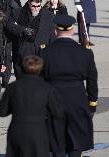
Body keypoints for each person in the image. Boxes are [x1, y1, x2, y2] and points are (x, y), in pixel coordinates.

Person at [42, 15, 98, 157]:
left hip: (53, 101)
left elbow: (39, 81)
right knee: (76, 143)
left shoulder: (45, 52)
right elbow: (92, 80)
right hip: (77, 101)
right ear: (73, 30)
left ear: (56, 31)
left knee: (57, 144)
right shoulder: (85, 52)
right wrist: (92, 103)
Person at [0, 55, 63, 157]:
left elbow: (2, 112)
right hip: (38, 131)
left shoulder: (12, 87)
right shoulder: (46, 88)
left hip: (17, 130)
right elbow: (57, 113)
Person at [6, 0, 56, 77]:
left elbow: (52, 36)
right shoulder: (17, 12)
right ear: (29, 3)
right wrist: (23, 30)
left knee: (40, 82)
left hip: (41, 52)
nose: (36, 8)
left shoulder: (49, 16)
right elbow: (9, 26)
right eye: (33, 6)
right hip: (22, 52)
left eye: (38, 6)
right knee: (23, 82)